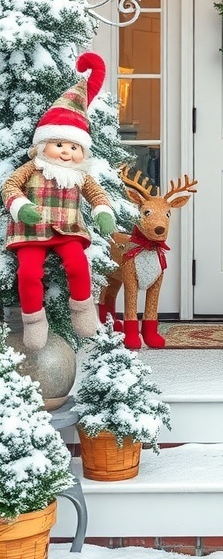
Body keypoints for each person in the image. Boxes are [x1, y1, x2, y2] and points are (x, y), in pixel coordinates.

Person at [1, 52, 116, 350]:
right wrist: (21, 206)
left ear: (83, 151)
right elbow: (10, 185)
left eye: (74, 147)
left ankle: (83, 310)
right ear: (44, 144)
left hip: (67, 230)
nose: (66, 152)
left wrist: (103, 211)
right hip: (32, 232)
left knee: (78, 265)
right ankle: (34, 321)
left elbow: (96, 194)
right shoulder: (33, 167)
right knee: (28, 273)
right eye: (59, 144)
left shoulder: (80, 174)